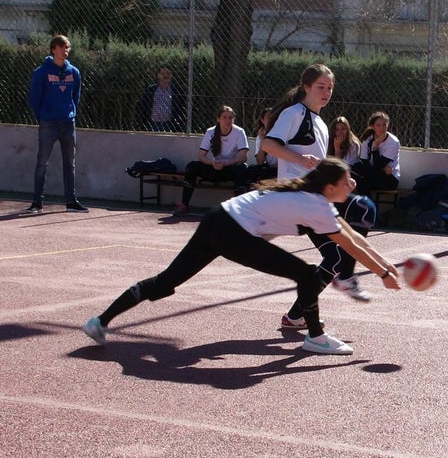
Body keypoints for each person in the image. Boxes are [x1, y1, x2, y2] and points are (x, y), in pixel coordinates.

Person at [81, 159, 401, 355]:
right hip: (233, 232)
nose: (352, 184)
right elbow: (351, 248)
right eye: (346, 181)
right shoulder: (315, 205)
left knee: (165, 281)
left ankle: (99, 321)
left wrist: (386, 266)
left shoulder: (315, 199)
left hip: (217, 219)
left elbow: (354, 238)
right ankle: (316, 337)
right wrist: (384, 276)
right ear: (330, 187)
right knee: (305, 273)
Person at [262, 64, 377, 307]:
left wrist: (341, 180)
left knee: (335, 259)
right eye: (320, 87)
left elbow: (318, 164)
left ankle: (296, 316)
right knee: (363, 208)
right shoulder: (294, 113)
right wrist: (298, 159)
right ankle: (346, 276)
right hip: (297, 197)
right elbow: (268, 145)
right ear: (306, 87)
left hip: (314, 198)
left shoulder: (321, 123)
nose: (326, 92)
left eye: (330, 88)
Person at [26, 35, 87, 214]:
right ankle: (37, 202)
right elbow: (34, 98)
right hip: (48, 123)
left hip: (68, 123)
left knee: (70, 163)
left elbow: (75, 96)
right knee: (42, 162)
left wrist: (70, 113)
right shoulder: (41, 72)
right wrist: (43, 117)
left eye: (67, 47)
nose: (65, 51)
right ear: (53, 50)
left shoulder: (74, 72)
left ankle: (71, 201)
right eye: (61, 47)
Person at [172, 105, 250, 216]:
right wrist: (212, 163)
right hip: (214, 168)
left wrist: (225, 163)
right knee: (192, 166)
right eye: (224, 117)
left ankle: (239, 209)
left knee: (242, 168)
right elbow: (201, 156)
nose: (227, 120)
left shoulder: (239, 132)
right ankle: (184, 205)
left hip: (229, 168)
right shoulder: (210, 132)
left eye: (230, 118)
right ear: (218, 119)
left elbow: (243, 157)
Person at [355, 111, 401, 195]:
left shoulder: (393, 142)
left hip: (389, 178)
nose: (382, 128)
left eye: (384, 125)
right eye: (378, 125)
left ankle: (366, 203)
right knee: (357, 168)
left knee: (362, 180)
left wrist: (375, 146)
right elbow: (364, 161)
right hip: (375, 173)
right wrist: (383, 169)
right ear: (372, 126)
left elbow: (379, 165)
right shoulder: (367, 138)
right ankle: (367, 203)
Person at [137, 66, 185, 132]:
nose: (166, 75)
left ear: (171, 76)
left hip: (170, 124)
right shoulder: (151, 90)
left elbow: (180, 108)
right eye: (163, 73)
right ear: (158, 75)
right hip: (153, 124)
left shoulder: (177, 91)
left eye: (168, 73)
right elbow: (144, 106)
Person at [247, 107, 278, 184]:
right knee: (252, 169)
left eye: (273, 118)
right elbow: (260, 162)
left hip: (280, 167)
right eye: (268, 118)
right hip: (268, 167)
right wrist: (262, 141)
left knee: (266, 173)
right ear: (262, 120)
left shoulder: (281, 134)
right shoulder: (260, 137)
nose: (271, 120)